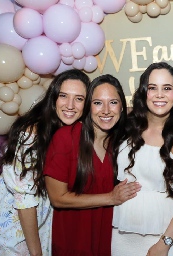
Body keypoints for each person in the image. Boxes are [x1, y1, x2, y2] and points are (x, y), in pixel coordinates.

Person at [0, 69, 91, 256]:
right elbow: (24, 200)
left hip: (43, 224)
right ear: (53, 98)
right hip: (16, 229)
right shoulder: (31, 133)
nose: (70, 105)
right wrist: (36, 253)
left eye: (79, 99)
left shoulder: (70, 130)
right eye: (63, 96)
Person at [44, 74, 141, 255]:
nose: (105, 110)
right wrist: (111, 198)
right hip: (73, 242)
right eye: (97, 103)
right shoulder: (66, 138)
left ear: (122, 107)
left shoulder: (120, 143)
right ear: (89, 106)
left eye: (113, 102)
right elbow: (58, 198)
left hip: (107, 241)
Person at [112, 62, 173, 256]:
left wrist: (165, 243)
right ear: (144, 93)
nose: (160, 94)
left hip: (165, 238)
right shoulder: (127, 127)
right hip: (121, 233)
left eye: (167, 88)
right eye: (153, 88)